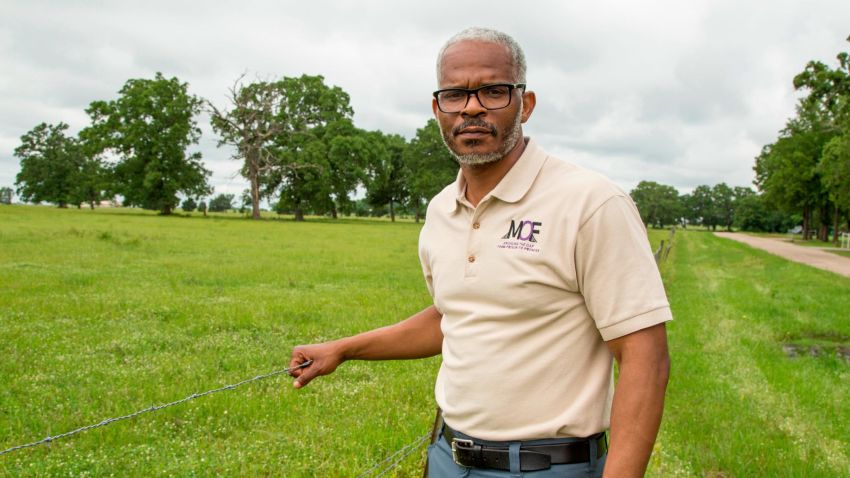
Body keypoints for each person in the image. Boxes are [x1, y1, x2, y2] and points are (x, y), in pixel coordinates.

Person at [289, 27, 671, 478]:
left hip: (549, 467)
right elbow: (453, 316)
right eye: (455, 94)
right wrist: (346, 349)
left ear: (524, 104)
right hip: (449, 459)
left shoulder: (589, 203)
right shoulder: (440, 211)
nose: (471, 107)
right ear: (438, 109)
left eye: (493, 91)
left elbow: (644, 355)